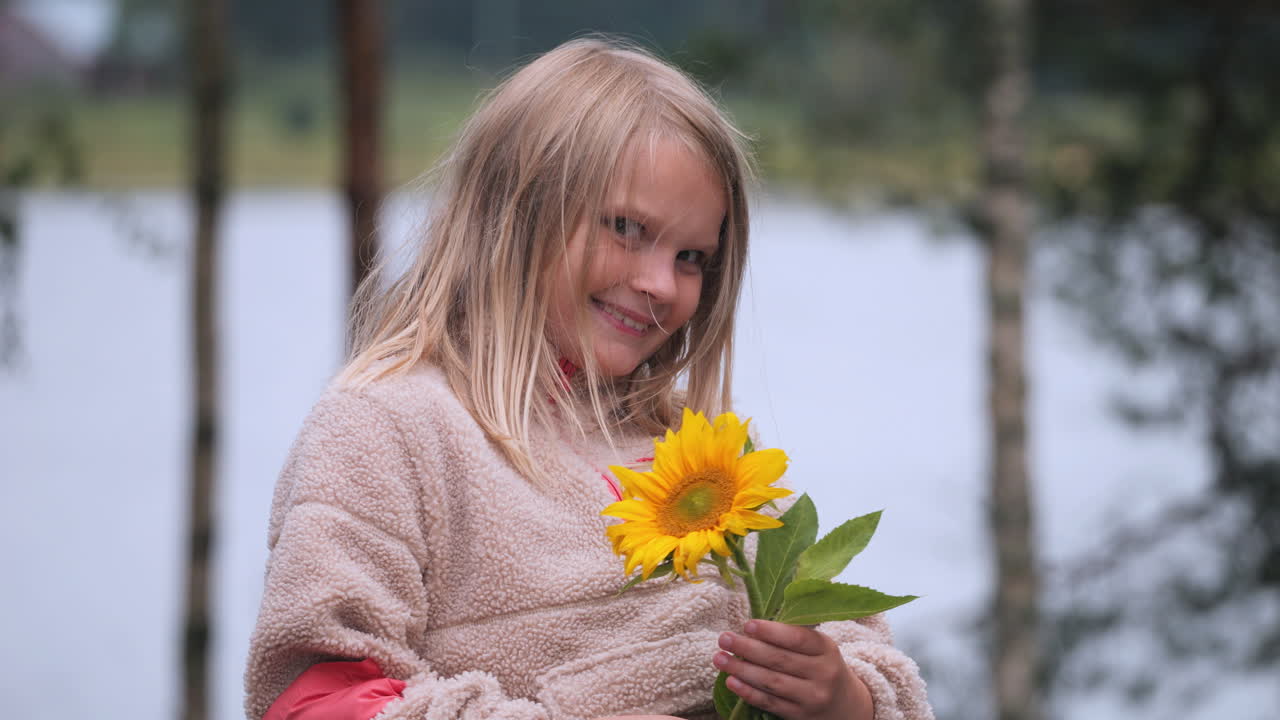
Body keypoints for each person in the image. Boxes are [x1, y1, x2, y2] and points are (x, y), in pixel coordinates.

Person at [244, 36, 933, 720]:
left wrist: (848, 699)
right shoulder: (387, 430)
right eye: (627, 228)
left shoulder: (698, 458)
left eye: (692, 255)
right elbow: (314, 698)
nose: (661, 284)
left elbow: (856, 650)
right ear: (514, 212)